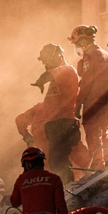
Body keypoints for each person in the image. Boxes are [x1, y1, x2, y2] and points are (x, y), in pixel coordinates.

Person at [32, 43, 90, 184]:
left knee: (58, 159)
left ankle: (68, 186)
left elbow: (47, 75)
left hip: (63, 122)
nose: (45, 63)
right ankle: (70, 184)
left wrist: (40, 81)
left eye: (47, 59)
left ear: (57, 55)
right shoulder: (56, 79)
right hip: (56, 123)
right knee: (59, 160)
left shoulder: (66, 70)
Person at [69, 26, 108, 170]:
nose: (76, 47)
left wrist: (78, 104)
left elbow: (86, 82)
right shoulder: (104, 54)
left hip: (94, 100)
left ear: (83, 42)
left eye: (76, 43)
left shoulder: (89, 56)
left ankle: (98, 166)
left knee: (92, 132)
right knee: (103, 131)